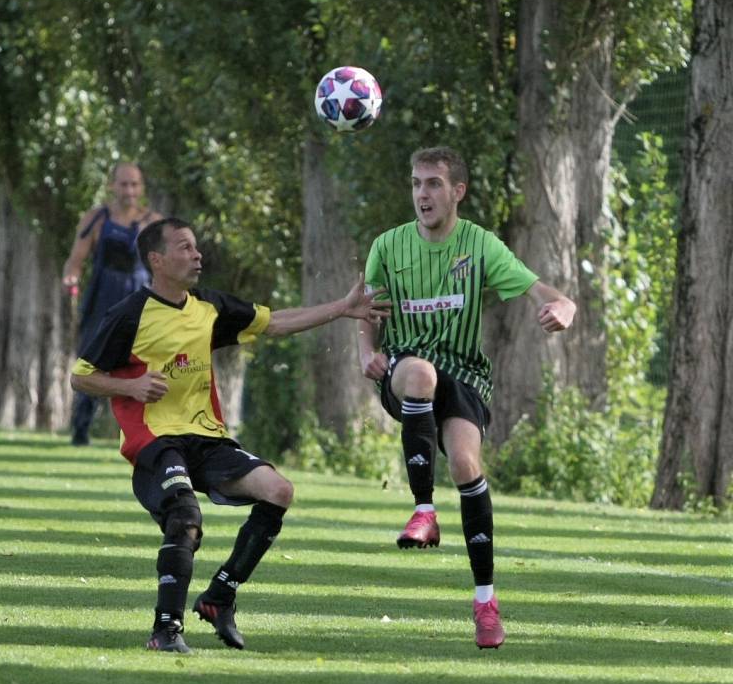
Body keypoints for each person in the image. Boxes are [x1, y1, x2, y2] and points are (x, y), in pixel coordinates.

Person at [70, 217, 390, 653]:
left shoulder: (208, 306)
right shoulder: (129, 314)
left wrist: (342, 308)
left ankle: (220, 597)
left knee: (278, 489)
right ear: (157, 260)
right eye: (184, 247)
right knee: (185, 520)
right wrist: (130, 386)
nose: (197, 254)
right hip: (158, 442)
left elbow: (274, 323)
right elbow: (82, 376)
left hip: (208, 439)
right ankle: (165, 630)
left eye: (196, 247)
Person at [357, 146, 576, 649]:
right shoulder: (388, 246)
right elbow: (367, 309)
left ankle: (485, 603)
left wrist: (564, 305)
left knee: (464, 465)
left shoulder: (480, 245)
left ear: (457, 191)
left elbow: (544, 293)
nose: (422, 194)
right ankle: (424, 512)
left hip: (464, 373)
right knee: (419, 375)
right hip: (406, 367)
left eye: (433, 183)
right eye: (416, 183)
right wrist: (368, 352)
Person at [62, 162, 163, 445]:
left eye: (134, 184)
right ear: (112, 186)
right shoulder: (96, 219)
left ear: (141, 188)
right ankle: (81, 430)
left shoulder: (154, 223)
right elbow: (76, 259)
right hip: (103, 299)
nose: (129, 190)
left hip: (141, 302)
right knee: (91, 362)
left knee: (146, 365)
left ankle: (149, 433)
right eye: (123, 184)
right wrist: (70, 277)